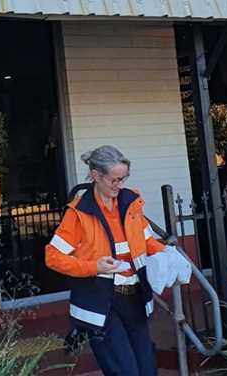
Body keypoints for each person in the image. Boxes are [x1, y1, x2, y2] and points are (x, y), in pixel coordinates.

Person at [45, 146, 166, 376]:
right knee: (125, 370)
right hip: (101, 302)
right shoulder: (78, 213)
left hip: (134, 299)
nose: (120, 185)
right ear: (95, 176)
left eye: (124, 178)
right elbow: (53, 257)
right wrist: (93, 267)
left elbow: (148, 241)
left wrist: (168, 257)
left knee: (147, 368)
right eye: (115, 180)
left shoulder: (131, 205)